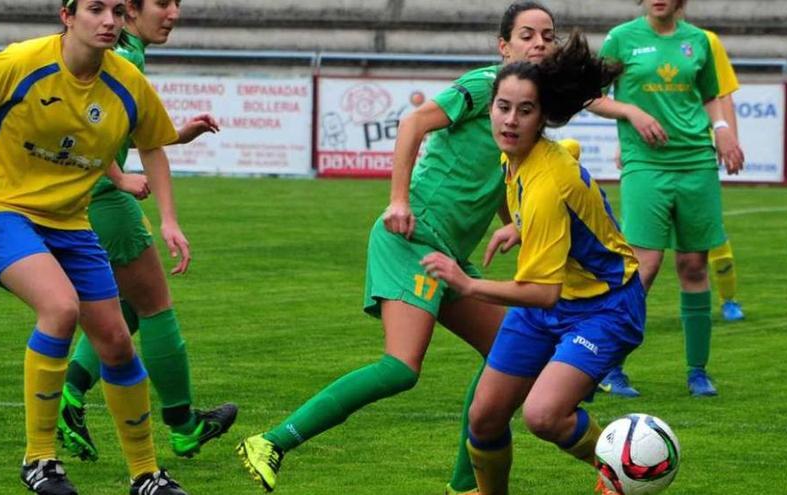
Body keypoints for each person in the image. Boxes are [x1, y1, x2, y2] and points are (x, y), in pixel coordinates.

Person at [237, 2, 558, 493]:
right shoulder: (485, 86)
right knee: (401, 367)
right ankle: (272, 441)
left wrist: (513, 224)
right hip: (411, 237)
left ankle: (464, 485)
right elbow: (412, 124)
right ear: (503, 46)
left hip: (447, 255)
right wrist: (398, 201)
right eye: (527, 35)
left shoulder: (524, 113)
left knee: (509, 356)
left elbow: (492, 179)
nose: (538, 43)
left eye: (547, 36)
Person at [0, 0, 191, 493]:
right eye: (94, 9)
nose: (108, 21)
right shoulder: (22, 62)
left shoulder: (127, 81)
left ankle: (146, 474)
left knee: (116, 341)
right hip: (0, 209)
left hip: (70, 222)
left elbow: (152, 144)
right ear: (66, 16)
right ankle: (39, 460)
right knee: (60, 308)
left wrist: (169, 220)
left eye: (115, 11)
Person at [422, 44, 640, 495]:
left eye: (525, 111)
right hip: (552, 304)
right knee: (483, 419)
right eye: (503, 107)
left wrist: (468, 284)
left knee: (544, 416)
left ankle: (625, 470)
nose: (510, 120)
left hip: (605, 305)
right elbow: (570, 169)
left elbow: (542, 292)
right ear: (491, 109)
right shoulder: (518, 156)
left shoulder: (545, 180)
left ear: (542, 118)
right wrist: (521, 227)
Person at [57, 0, 237, 464]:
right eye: (163, 3)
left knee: (127, 309)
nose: (173, 12)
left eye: (178, 3)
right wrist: (139, 195)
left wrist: (179, 133)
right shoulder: (124, 55)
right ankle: (184, 425)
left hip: (84, 194)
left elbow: (133, 132)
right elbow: (92, 126)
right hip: (102, 196)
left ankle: (69, 396)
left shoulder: (123, 51)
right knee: (155, 305)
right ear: (130, 11)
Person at [588, 0, 744, 397]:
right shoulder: (621, 39)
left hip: (696, 162)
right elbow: (592, 96)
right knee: (645, 265)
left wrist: (723, 127)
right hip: (645, 164)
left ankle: (698, 372)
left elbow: (710, 95)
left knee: (694, 264)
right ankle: (610, 367)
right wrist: (630, 112)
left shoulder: (699, 41)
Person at [702, 28, 745, 322]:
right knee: (640, 249)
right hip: (649, 153)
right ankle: (624, 308)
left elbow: (723, 94)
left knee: (711, 230)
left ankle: (729, 300)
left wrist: (729, 138)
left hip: (697, 150)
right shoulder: (632, 38)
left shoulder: (705, 41)